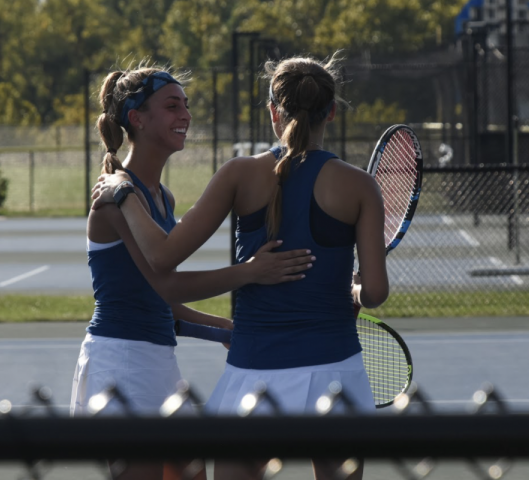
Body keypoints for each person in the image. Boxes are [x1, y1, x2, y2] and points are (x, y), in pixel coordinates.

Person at [92, 55, 390, 480]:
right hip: (336, 372)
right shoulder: (361, 185)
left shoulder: (238, 174)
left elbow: (163, 262)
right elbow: (376, 292)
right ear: (332, 112)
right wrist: (354, 291)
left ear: (273, 112)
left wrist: (122, 191)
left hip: (255, 374)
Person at [74, 66, 314, 480]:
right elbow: (166, 281)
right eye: (172, 106)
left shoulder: (160, 196)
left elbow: (162, 305)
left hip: (156, 360)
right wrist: (251, 272)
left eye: (186, 105)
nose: (185, 114)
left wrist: (224, 329)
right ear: (137, 118)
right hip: (121, 363)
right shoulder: (115, 197)